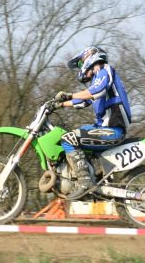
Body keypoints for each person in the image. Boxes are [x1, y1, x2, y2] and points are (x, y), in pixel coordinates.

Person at [53, 45, 132, 199]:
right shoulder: (98, 79)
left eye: (81, 63)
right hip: (104, 129)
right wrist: (59, 105)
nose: (81, 68)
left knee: (69, 139)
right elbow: (83, 101)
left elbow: (95, 91)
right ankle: (93, 176)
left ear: (90, 57)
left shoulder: (105, 70)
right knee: (74, 133)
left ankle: (85, 183)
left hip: (113, 130)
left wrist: (69, 95)